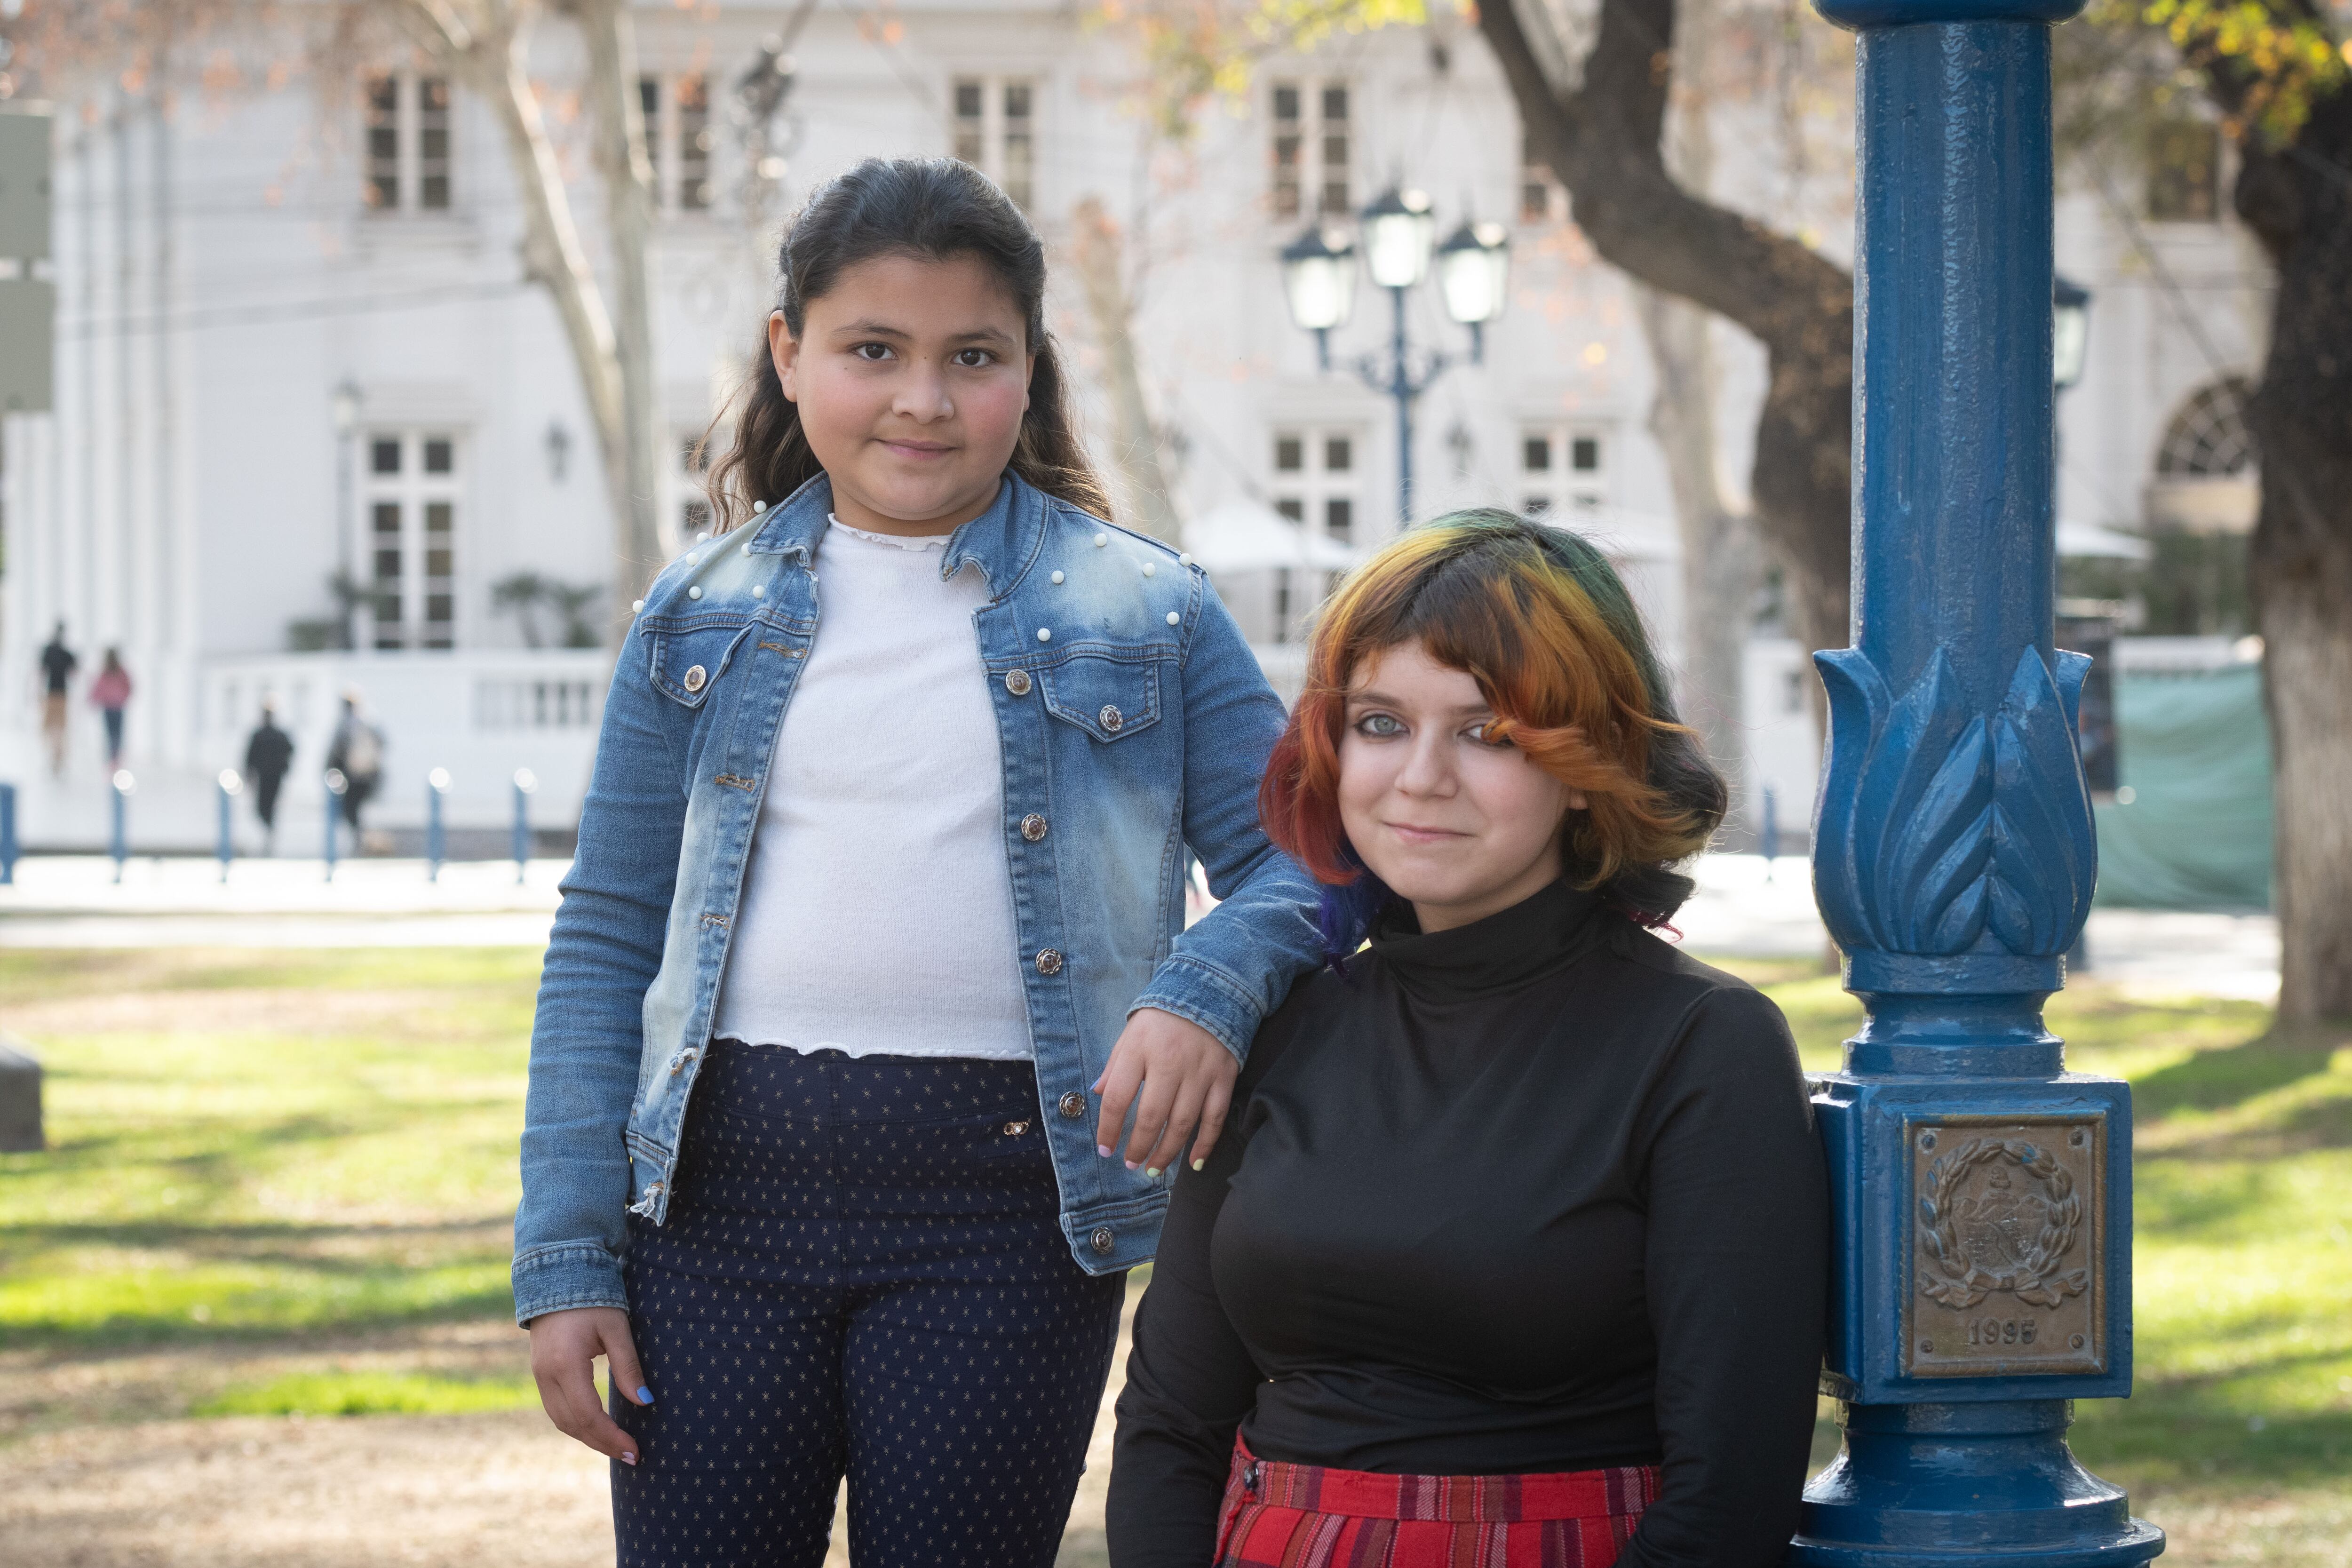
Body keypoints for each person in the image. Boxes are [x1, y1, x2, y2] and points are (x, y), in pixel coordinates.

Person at [514, 156, 1321, 1568]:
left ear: (1028, 366)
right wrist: (569, 1251)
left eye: (972, 357)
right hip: (710, 1217)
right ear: (789, 353)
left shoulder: (1149, 612)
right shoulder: (695, 616)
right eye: (871, 350)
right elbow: (606, 932)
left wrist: (1202, 989)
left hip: (1009, 1221)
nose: (922, 400)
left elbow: (1308, 865)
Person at [1107, 512, 1829, 1568]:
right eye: (1382, 723)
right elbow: (1172, 1421)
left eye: (1487, 733)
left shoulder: (1701, 1044)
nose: (1420, 778)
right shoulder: (1283, 1023)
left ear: (1588, 761)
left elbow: (1732, 1492)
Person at [325, 692, 385, 847]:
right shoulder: (369, 722)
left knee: (350, 808)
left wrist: (329, 768)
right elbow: (382, 744)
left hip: (352, 775)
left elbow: (336, 750)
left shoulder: (346, 725)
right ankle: (359, 838)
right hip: (367, 775)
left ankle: (359, 838)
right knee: (354, 808)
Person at [244, 700, 295, 852]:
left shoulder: (275, 734)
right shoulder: (262, 734)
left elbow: (290, 751)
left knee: (268, 806)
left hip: (272, 776)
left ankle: (270, 833)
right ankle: (269, 831)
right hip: (266, 776)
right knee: (262, 807)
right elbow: (250, 756)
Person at [38, 623, 77, 776]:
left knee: (51, 728)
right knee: (59, 729)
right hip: (61, 694)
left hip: (52, 694)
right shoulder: (66, 653)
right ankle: (57, 756)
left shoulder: (49, 651)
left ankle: (56, 757)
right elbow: (74, 671)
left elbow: (42, 672)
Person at [88, 650, 132, 767]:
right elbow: (128, 686)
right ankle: (114, 757)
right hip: (114, 707)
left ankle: (114, 757)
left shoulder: (110, 672)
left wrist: (93, 700)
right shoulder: (116, 672)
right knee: (116, 733)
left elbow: (98, 689)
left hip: (113, 707)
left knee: (112, 734)